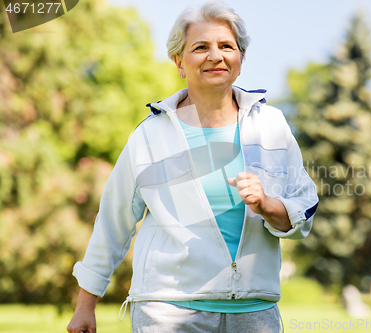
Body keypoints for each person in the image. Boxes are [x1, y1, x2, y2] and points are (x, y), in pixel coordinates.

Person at [67, 1, 318, 332]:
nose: (215, 56)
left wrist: (267, 205)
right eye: (201, 47)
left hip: (254, 311)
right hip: (168, 310)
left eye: (226, 46)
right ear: (179, 62)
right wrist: (86, 305)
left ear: (240, 60)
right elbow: (114, 220)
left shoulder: (271, 125)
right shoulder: (151, 135)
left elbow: (303, 208)